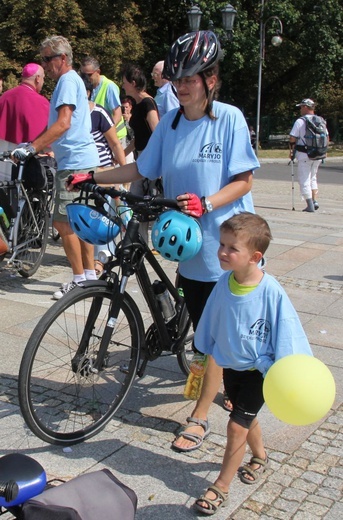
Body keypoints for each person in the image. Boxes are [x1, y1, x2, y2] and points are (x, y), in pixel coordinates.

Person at [67, 30, 260, 443]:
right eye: (176, 79)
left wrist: (207, 202)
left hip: (228, 246)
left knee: (217, 339)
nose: (181, 86)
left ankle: (201, 414)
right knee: (204, 328)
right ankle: (208, 380)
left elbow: (243, 181)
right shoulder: (170, 123)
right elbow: (140, 169)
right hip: (189, 245)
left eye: (189, 78)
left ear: (210, 79)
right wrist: (93, 177)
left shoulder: (229, 118)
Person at [192, 212, 313, 515]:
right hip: (232, 366)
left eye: (232, 248)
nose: (222, 252)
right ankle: (259, 456)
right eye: (222, 244)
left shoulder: (270, 290)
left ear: (255, 257)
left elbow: (288, 329)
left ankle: (220, 486)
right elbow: (211, 318)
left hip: (260, 371)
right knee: (247, 417)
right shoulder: (224, 283)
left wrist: (288, 370)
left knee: (236, 426)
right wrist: (202, 351)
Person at [11, 36, 99, 300]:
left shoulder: (67, 81)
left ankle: (78, 279)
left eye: (48, 58)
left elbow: (63, 124)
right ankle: (90, 277)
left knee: (63, 223)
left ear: (62, 59)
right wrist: (36, 143)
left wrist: (31, 149)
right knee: (81, 223)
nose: (45, 64)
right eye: (43, 60)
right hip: (81, 160)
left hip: (74, 164)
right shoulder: (72, 82)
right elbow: (58, 128)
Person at [80, 73, 127, 276]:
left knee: (103, 214)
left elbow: (115, 143)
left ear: (88, 93)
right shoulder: (71, 116)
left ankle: (102, 261)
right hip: (81, 174)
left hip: (102, 171)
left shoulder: (99, 113)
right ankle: (94, 261)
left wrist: (123, 174)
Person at [121, 63, 160, 244]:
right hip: (140, 156)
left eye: (125, 82)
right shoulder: (137, 105)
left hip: (148, 161)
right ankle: (139, 242)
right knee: (137, 203)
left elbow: (157, 131)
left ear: (133, 83)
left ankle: (143, 242)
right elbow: (138, 137)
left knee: (142, 202)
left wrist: (153, 160)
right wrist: (122, 153)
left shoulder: (147, 103)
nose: (123, 86)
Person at [80, 57, 127, 147]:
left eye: (89, 75)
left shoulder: (109, 87)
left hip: (115, 138)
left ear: (98, 72)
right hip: (100, 138)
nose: (86, 78)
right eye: (83, 75)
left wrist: (106, 131)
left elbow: (117, 114)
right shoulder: (87, 87)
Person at [0, 63, 49, 144]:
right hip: (27, 153)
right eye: (43, 78)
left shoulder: (5, 96)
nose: (43, 82)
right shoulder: (41, 102)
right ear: (38, 78)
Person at [289, 98, 323, 212]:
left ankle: (310, 205)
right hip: (318, 154)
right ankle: (315, 201)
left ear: (305, 107)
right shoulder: (320, 120)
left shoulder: (300, 121)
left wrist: (291, 151)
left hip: (304, 154)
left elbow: (293, 137)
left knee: (304, 179)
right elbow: (327, 137)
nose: (300, 109)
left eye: (301, 107)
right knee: (313, 178)